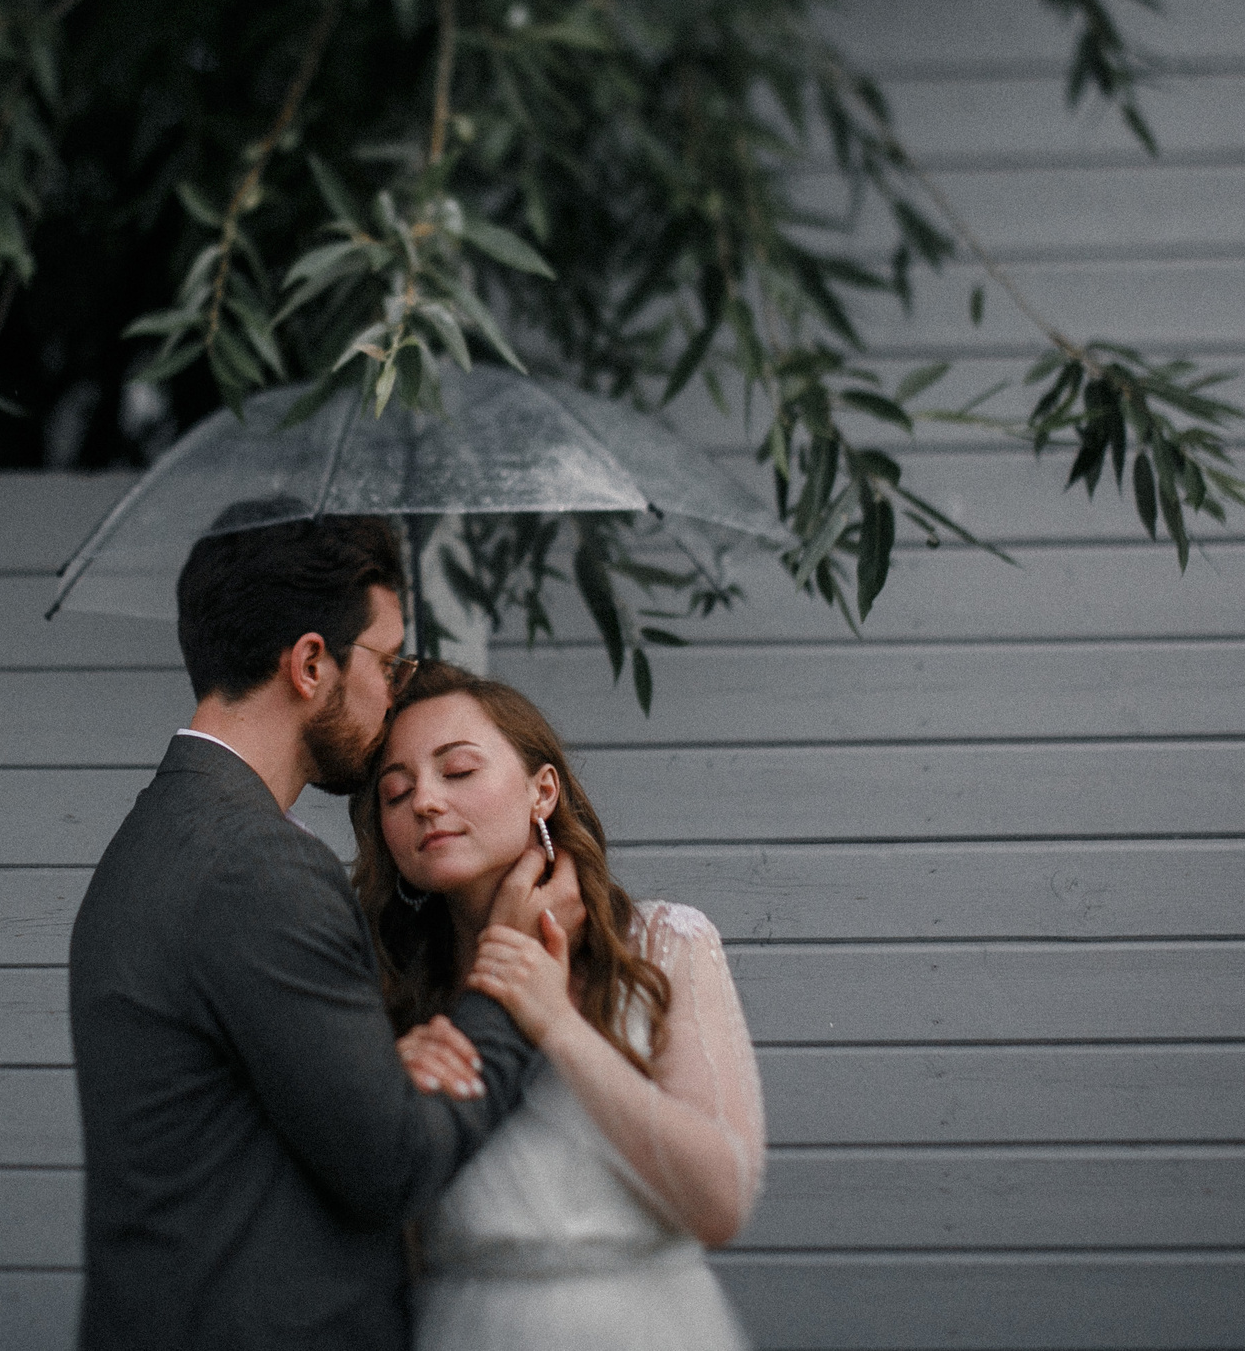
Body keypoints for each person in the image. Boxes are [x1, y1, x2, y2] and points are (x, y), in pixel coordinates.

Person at [69, 506, 584, 1351]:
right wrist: (509, 977)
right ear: (312, 662)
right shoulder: (259, 867)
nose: (394, 691)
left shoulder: (158, 835)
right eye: (385, 659)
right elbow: (393, 1165)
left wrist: (377, 1072)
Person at [355, 661, 765, 1351]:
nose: (424, 800)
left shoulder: (666, 944)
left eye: (457, 772)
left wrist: (554, 1022)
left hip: (652, 1325)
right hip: (463, 1326)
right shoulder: (383, 982)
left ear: (542, 790)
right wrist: (376, 1089)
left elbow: (720, 1204)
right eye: (396, 792)